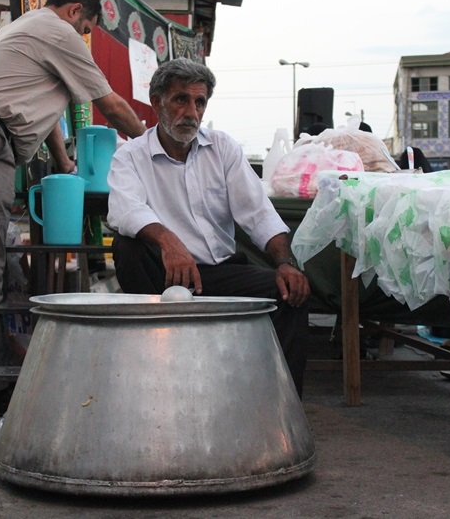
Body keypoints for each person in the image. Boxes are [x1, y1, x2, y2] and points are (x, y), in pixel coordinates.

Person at [0, 0, 146, 419]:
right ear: (73, 11)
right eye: (86, 27)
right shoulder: (58, 31)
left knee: (2, 265)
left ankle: (10, 368)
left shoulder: (31, 29)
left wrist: (64, 162)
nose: (84, 35)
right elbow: (113, 105)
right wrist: (152, 145)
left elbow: (47, 108)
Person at [107, 58, 311, 396]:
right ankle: (154, 377)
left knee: (291, 293)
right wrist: (168, 241)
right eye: (180, 99)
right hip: (166, 277)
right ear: (157, 102)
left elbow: (258, 214)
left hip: (219, 273)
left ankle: (279, 409)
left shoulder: (223, 148)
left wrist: (286, 263)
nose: (191, 111)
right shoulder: (130, 156)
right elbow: (124, 209)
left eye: (199, 102)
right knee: (128, 247)